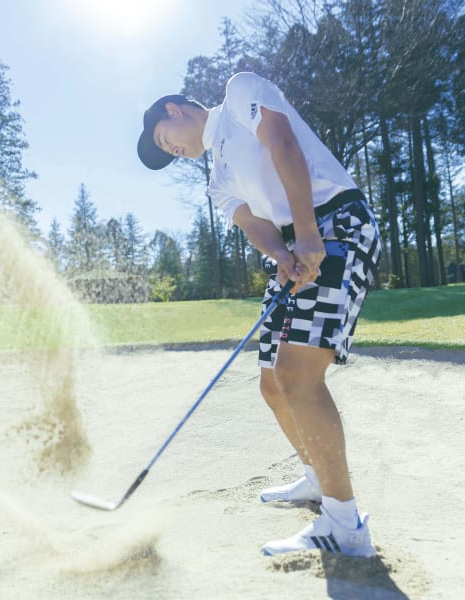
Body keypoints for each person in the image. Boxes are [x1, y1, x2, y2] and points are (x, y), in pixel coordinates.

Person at [137, 72, 381, 557]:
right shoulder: (218, 181)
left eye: (167, 142)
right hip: (298, 244)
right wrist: (284, 254)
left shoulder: (238, 94)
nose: (174, 152)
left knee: (297, 375)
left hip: (336, 224)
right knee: (272, 381)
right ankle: (317, 479)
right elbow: (255, 225)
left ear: (175, 110)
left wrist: (309, 234)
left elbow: (283, 145)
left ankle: (344, 525)